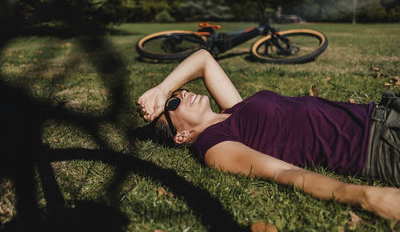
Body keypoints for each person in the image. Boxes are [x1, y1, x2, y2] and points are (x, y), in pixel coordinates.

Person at [136, 49, 400, 220]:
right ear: (180, 135)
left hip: (383, 113)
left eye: (178, 93)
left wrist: (162, 89)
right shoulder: (214, 145)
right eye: (173, 103)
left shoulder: (233, 110)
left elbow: (204, 59)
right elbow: (284, 173)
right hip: (379, 143)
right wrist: (366, 197)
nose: (181, 94)